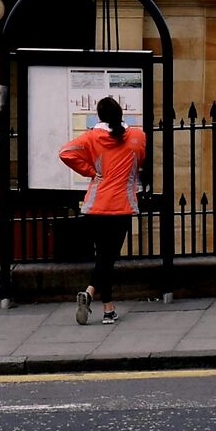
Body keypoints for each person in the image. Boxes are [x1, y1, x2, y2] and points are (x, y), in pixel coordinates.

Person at [59, 93, 148, 326]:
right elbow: (141, 160)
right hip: (122, 206)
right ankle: (97, 301)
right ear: (121, 113)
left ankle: (103, 305)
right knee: (108, 259)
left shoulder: (91, 138)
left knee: (104, 258)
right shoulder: (138, 136)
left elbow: (65, 153)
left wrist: (91, 171)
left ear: (99, 116)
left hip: (96, 205)